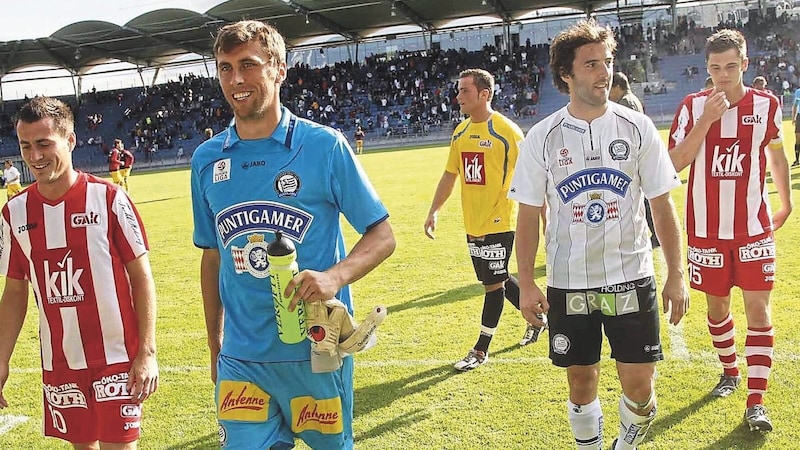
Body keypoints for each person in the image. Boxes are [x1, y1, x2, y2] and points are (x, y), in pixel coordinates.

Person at [190, 20, 395, 449]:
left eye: (248, 65)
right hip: (242, 362)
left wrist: (335, 277)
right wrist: (216, 345)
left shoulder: (325, 146)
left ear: (279, 69)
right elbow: (212, 257)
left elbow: (382, 234)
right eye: (225, 68)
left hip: (315, 356)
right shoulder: (206, 160)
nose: (236, 79)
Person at [510, 20, 688, 449]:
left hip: (630, 275)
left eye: (607, 62)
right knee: (581, 378)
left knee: (640, 383)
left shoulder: (638, 127)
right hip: (571, 281)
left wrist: (676, 273)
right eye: (591, 64)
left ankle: (626, 443)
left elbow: (662, 204)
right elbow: (529, 213)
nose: (604, 72)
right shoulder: (542, 137)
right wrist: (529, 282)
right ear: (566, 75)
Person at [0, 96, 159, 448]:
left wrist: (146, 351)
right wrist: (1, 360)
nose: (34, 157)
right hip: (61, 360)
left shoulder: (110, 199)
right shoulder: (14, 214)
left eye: (44, 144)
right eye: (25, 146)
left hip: (116, 356)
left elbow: (141, 276)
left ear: (70, 140)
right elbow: (14, 292)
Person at [668, 28, 792, 432]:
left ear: (745, 64)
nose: (723, 75)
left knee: (758, 310)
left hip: (754, 229)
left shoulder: (767, 106)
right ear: (707, 68)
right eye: (716, 68)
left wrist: (785, 202)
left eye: (731, 67)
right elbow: (673, 164)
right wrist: (706, 120)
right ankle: (730, 371)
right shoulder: (691, 107)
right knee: (717, 309)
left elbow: (776, 152)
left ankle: (756, 402)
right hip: (706, 233)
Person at [424, 68, 545, 373]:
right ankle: (542, 319)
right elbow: (450, 174)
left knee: (492, 286)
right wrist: (434, 210)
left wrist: (545, 216)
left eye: (465, 91)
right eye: (459, 90)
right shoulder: (461, 133)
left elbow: (534, 177)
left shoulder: (507, 132)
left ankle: (480, 350)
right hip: (472, 222)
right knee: (500, 277)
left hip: (500, 220)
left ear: (484, 94)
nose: (458, 96)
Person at [610, 72, 659, 249]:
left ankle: (655, 234)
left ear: (617, 87)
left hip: (630, 156)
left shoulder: (626, 103)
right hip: (634, 155)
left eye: (611, 89)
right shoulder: (631, 100)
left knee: (641, 200)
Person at [790, 82, 800, 166]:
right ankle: (797, 160)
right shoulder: (798, 92)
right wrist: (793, 117)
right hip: (799, 116)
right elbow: (795, 105)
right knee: (797, 137)